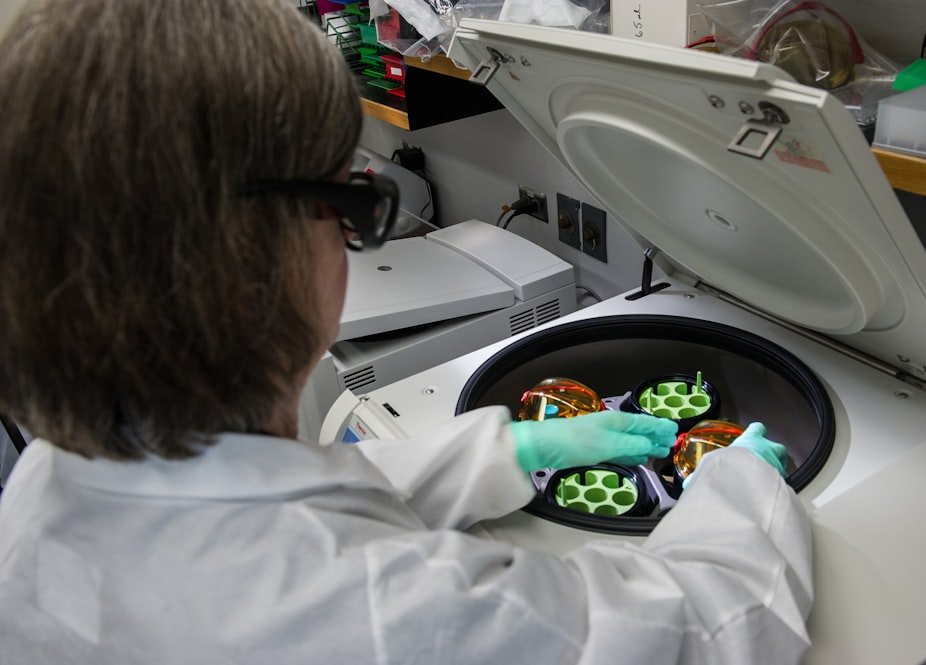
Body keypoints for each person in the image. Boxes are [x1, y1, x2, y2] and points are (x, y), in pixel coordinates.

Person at [0, 1, 813, 663]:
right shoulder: (386, 616)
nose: (356, 240)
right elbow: (714, 631)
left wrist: (505, 453)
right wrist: (738, 489)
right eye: (350, 206)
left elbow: (270, 507)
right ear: (244, 261)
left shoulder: (44, 485)